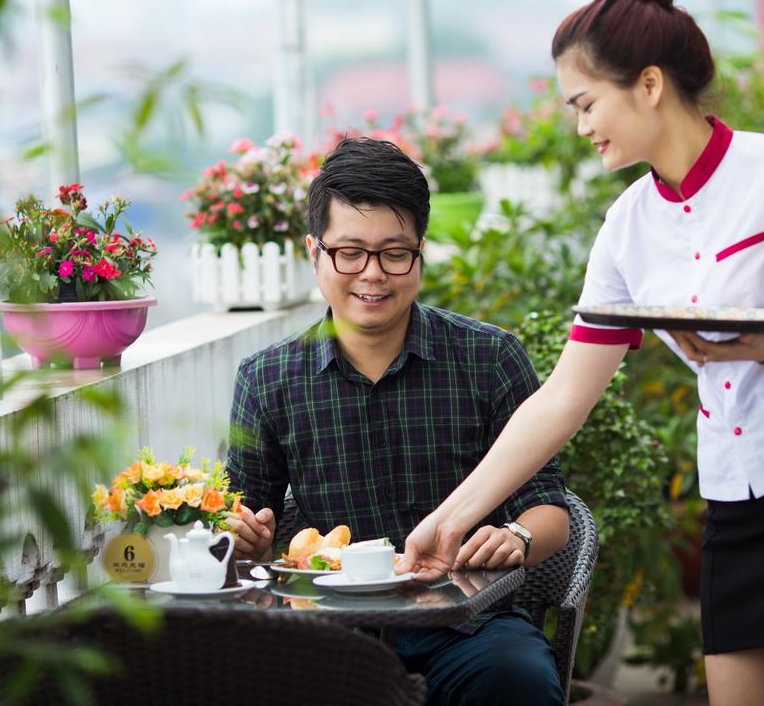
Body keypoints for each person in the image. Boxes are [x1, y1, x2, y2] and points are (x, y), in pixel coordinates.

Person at [399, 0, 764, 706]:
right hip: (733, 506)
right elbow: (563, 397)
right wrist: (450, 516)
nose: (579, 127)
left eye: (584, 103)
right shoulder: (627, 226)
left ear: (648, 83)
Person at [224, 136, 570, 706]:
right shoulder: (267, 378)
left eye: (394, 253)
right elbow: (240, 525)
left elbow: (549, 507)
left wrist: (517, 535)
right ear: (314, 251)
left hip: (467, 626)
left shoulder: (490, 358)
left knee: (519, 679)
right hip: (328, 635)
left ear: (420, 252)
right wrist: (242, 536)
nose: (373, 275)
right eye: (350, 252)